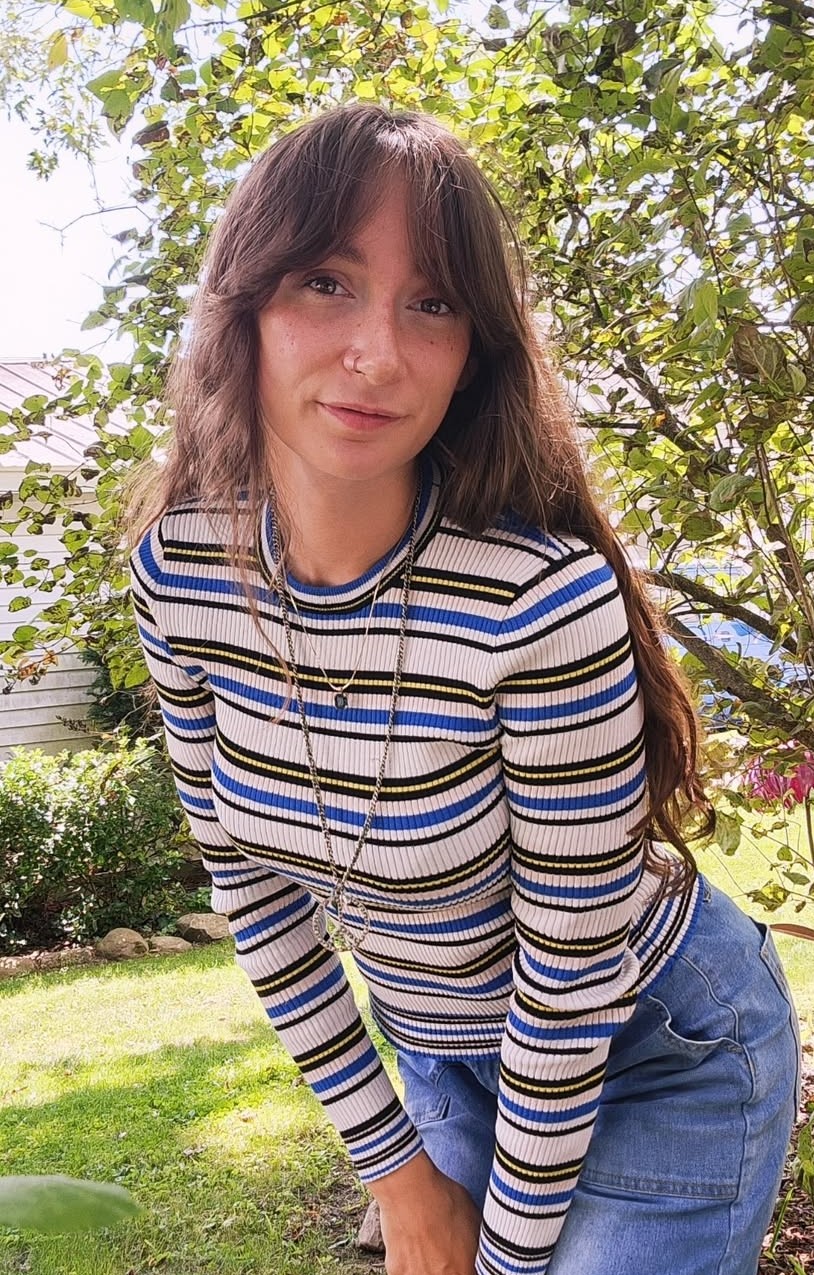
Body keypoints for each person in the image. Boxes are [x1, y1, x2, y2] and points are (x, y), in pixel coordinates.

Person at [129, 103, 801, 1275]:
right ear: (242, 306)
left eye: (432, 304)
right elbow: (252, 893)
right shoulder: (179, 575)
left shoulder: (537, 603)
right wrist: (396, 1178)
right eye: (326, 283)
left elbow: (569, 972)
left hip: (657, 1043)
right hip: (443, 1052)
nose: (378, 353)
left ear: (472, 351)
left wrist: (505, 1256)